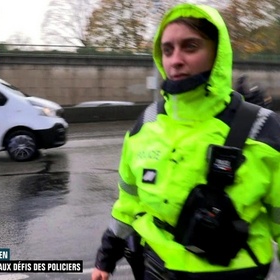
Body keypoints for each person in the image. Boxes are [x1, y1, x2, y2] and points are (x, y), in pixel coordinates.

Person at [92, 3, 280, 280]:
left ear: (217, 54)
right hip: (156, 266)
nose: (175, 60)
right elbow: (128, 203)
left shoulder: (263, 127)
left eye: (190, 47)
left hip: (233, 271)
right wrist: (105, 258)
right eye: (167, 50)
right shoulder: (146, 124)